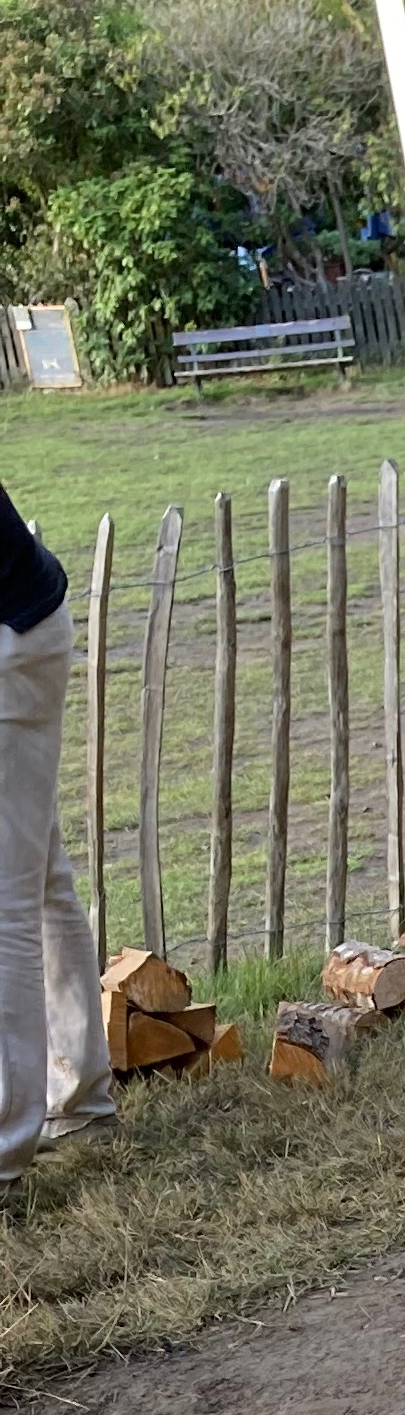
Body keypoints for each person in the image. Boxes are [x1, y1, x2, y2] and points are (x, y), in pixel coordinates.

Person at [0, 472, 114, 1204]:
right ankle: (83, 1096)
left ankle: (6, 1151)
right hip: (24, 627)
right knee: (39, 880)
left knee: (4, 900)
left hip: (10, 643)